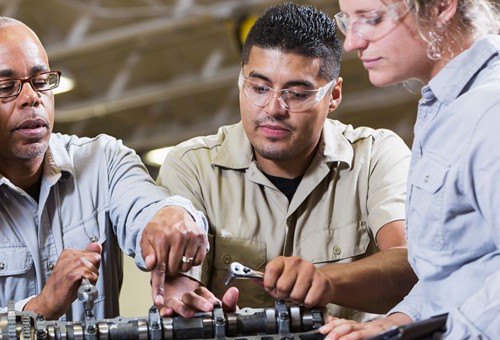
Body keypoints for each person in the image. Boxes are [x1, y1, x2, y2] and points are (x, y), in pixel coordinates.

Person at [0, 17, 209, 322]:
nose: (32, 98)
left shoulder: (104, 162)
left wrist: (173, 221)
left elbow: (150, 210)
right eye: (7, 87)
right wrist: (42, 306)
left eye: (41, 81)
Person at [155, 2, 417, 323]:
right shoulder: (191, 166)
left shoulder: (377, 156)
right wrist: (188, 304)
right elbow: (181, 283)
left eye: (297, 93)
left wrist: (326, 280)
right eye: (259, 88)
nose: (274, 108)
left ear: (333, 95)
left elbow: (410, 262)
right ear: (241, 82)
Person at [320, 0, 500, 340]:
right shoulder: (447, 111)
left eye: (370, 19)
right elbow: (452, 270)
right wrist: (399, 324)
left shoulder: (490, 111)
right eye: (348, 21)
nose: (352, 43)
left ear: (441, 6)